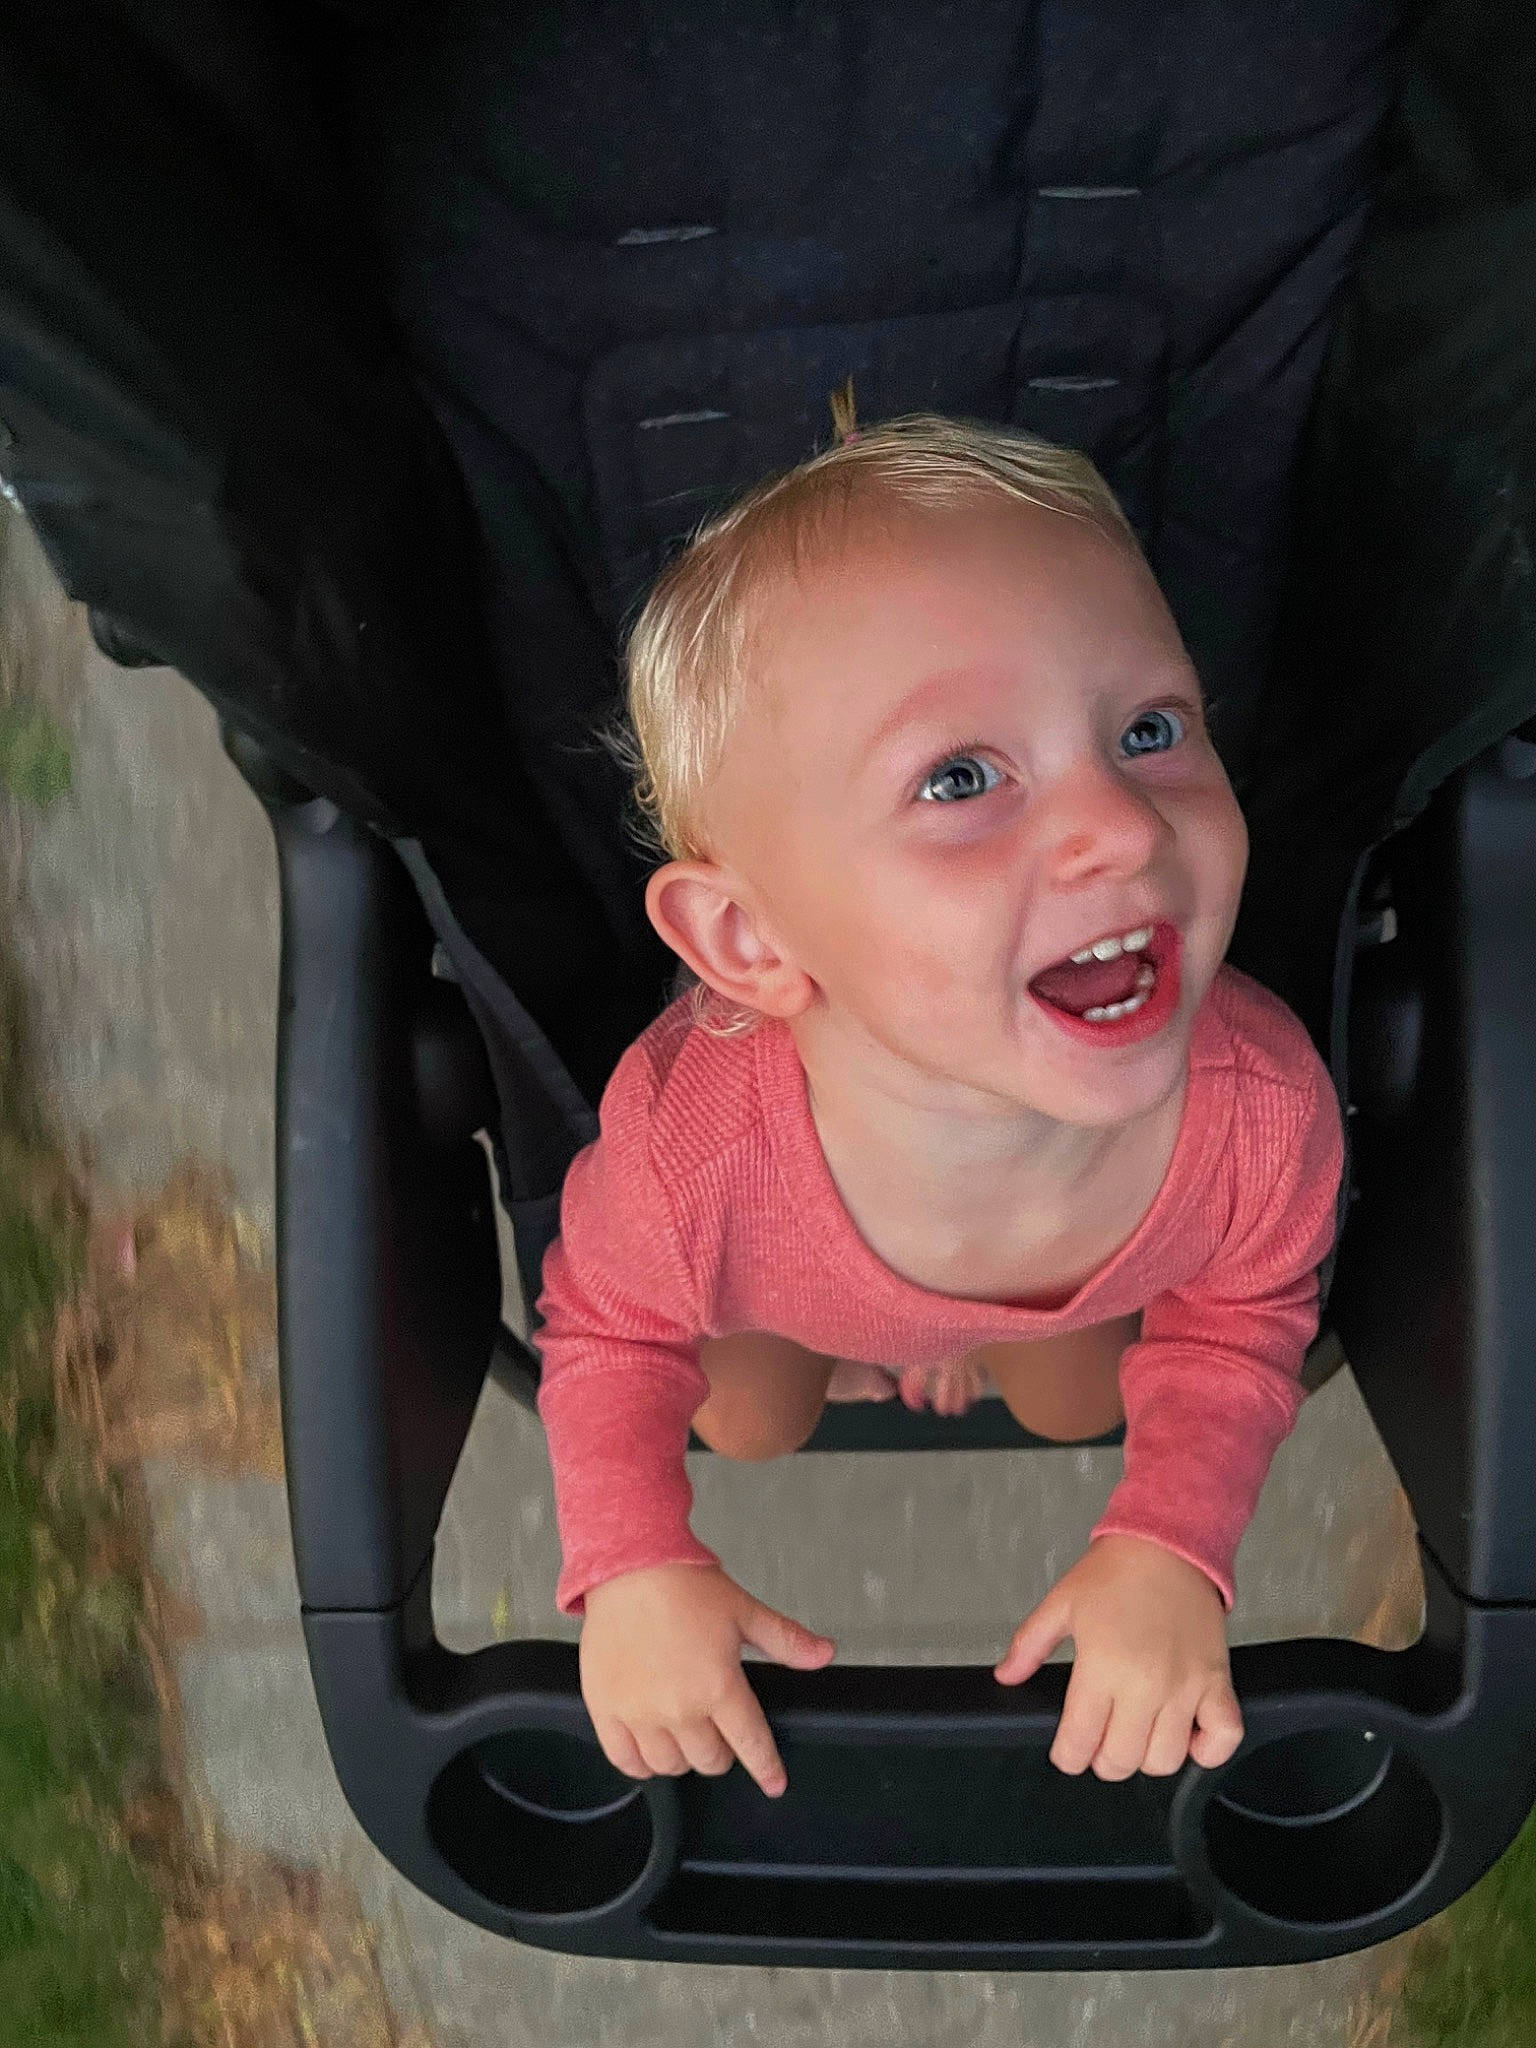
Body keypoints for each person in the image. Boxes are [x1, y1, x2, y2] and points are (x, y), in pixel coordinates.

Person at [532, 410, 1343, 1801]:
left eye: (1150, 730)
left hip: (1090, 1281)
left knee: (1078, 1404)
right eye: (961, 779)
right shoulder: (691, 1153)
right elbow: (607, 1329)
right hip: (770, 1282)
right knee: (748, 1424)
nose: (1127, 829)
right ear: (749, 943)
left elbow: (1241, 1318)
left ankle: (932, 1339)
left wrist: (1169, 1542)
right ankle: (873, 1347)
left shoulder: (1258, 1113)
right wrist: (632, 1567)